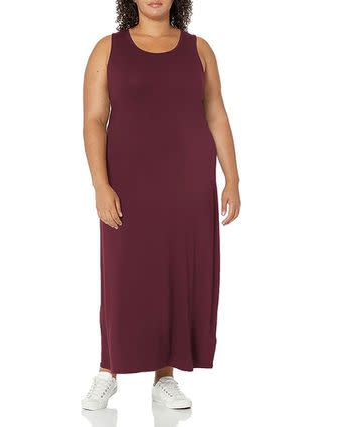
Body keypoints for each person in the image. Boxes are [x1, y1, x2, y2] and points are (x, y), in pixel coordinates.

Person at [81, 0, 240, 411]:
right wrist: (100, 184)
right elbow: (94, 120)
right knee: (122, 275)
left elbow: (216, 113)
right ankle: (108, 370)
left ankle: (164, 376)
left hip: (188, 185)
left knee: (175, 276)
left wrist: (232, 178)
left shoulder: (199, 49)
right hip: (128, 184)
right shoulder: (107, 49)